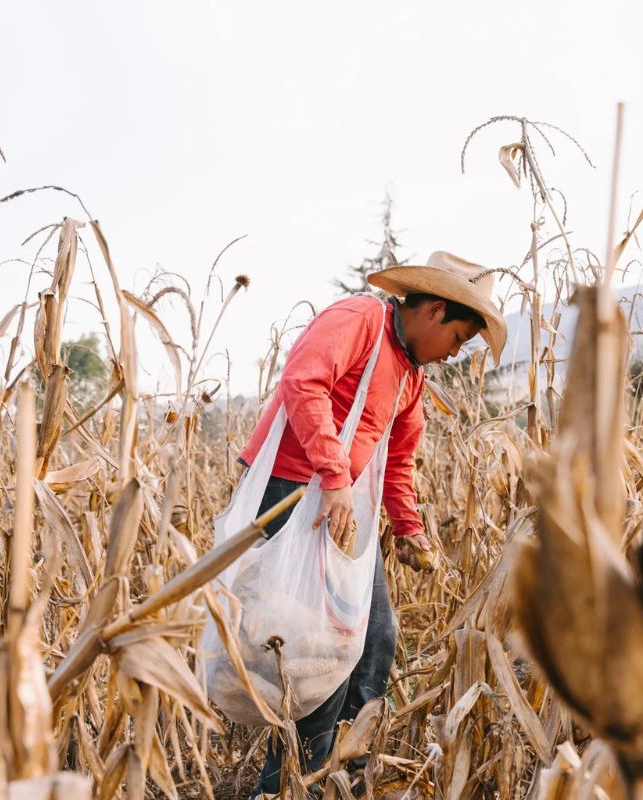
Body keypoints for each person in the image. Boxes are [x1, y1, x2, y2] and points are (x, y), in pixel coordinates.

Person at [238, 252, 507, 798]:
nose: (454, 353)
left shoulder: (409, 376)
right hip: (290, 491)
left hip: (336, 501)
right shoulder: (360, 319)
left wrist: (409, 529)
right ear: (434, 310)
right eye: (457, 338)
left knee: (374, 636)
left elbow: (399, 460)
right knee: (318, 646)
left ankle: (344, 772)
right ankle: (287, 786)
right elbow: (303, 381)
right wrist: (335, 477)